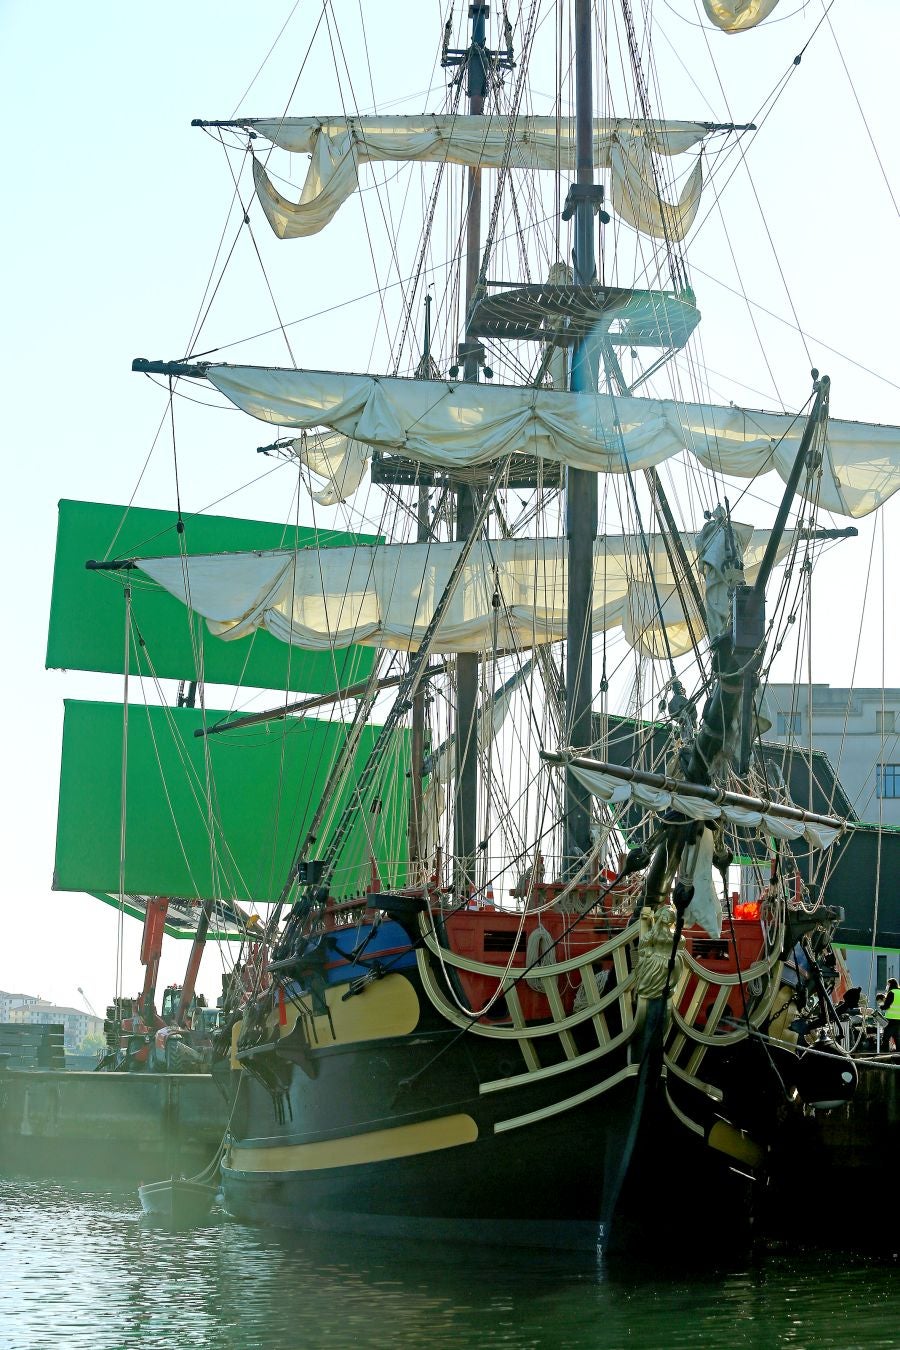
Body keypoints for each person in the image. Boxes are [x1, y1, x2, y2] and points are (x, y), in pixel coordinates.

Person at [882, 977, 900, 1052]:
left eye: (888, 984)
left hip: (891, 1020)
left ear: (890, 985)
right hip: (899, 1020)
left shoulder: (891, 993)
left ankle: (884, 1054)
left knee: (885, 1038)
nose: (887, 986)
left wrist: (881, 1005)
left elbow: (886, 1006)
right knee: (898, 1039)